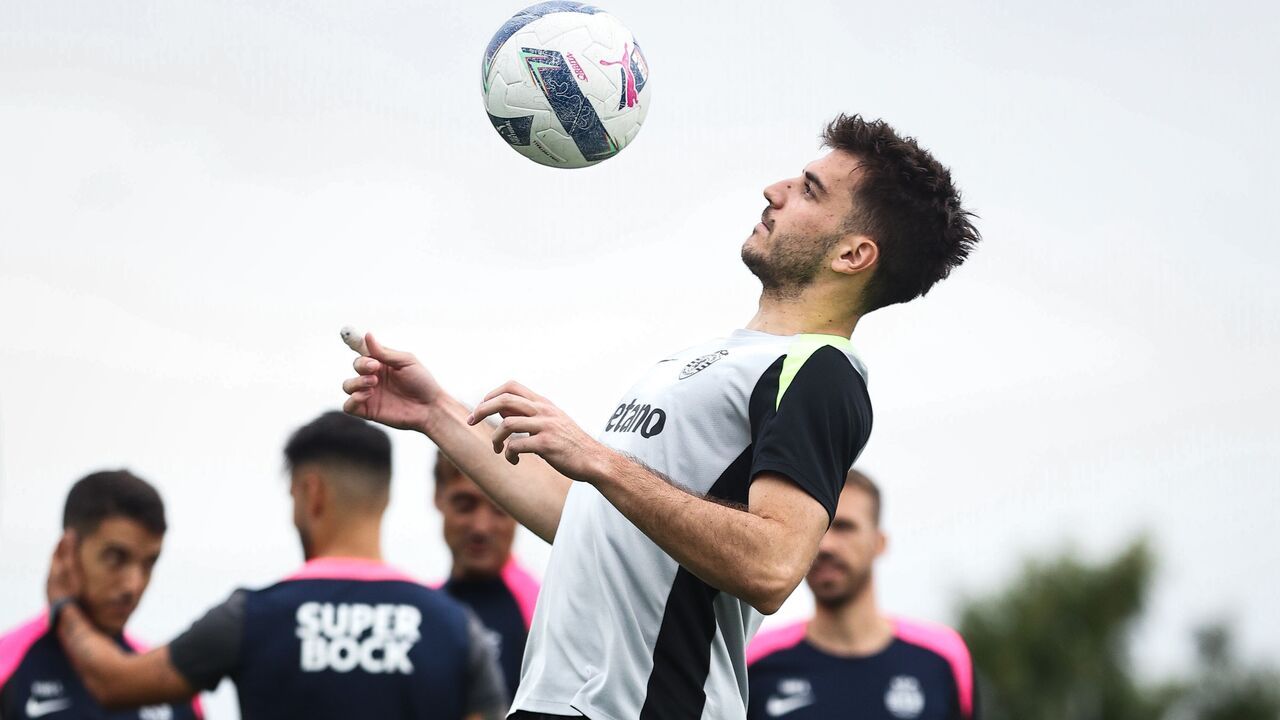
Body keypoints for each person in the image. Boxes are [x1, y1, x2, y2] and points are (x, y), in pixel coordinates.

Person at [341, 114, 980, 720]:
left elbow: (773, 564)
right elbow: (591, 524)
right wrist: (439, 414)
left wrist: (598, 458)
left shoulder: (818, 372)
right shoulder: (708, 358)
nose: (775, 190)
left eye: (808, 190)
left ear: (852, 255)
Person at [44, 411, 507, 720]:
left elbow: (112, 682)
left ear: (312, 493)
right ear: (384, 497)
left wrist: (65, 605)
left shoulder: (251, 618)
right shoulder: (455, 628)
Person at [746, 471, 978, 719]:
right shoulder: (755, 661)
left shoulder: (942, 657)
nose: (825, 546)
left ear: (879, 543)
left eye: (844, 527)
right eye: (815, 529)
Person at [0, 470, 203, 720]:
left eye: (148, 564)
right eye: (115, 558)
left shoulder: (164, 685)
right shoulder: (8, 667)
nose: (133, 585)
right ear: (67, 551)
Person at [434, 453, 541, 697]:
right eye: (465, 505)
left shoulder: (542, 613)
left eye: (499, 508)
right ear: (438, 497)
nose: (481, 527)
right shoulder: (423, 610)